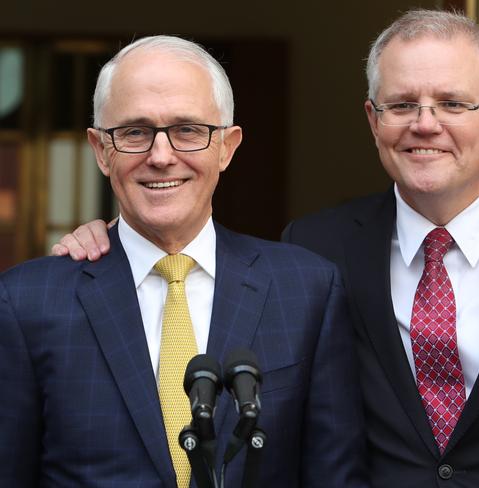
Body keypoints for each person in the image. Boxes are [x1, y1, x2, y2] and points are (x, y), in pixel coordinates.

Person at [51, 10, 479, 487]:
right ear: (372, 119)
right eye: (401, 104)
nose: (424, 123)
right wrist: (120, 240)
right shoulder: (316, 250)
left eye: (451, 103)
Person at [0, 35, 368, 488]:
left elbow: (336, 478)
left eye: (187, 130)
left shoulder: (307, 289)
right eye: (134, 132)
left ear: (227, 147)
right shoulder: (27, 302)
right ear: (101, 150)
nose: (161, 156)